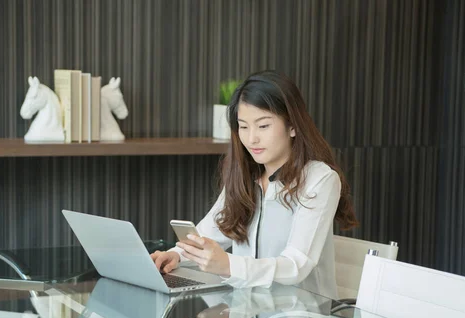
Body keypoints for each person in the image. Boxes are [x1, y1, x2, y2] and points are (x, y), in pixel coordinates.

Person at [151, 69, 358, 300]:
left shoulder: (320, 180)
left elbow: (296, 265)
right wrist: (176, 254)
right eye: (244, 126)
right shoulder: (245, 177)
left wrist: (228, 265)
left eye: (263, 126)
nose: (251, 139)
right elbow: (209, 231)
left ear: (293, 126)